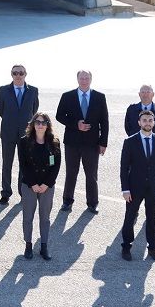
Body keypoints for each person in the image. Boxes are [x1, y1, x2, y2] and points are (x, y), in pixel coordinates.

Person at [55, 70, 109, 214]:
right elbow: (59, 116)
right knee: (71, 173)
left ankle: (92, 203)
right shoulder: (67, 96)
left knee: (91, 174)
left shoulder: (99, 97)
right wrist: (75, 124)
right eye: (81, 78)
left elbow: (104, 121)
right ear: (77, 79)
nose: (84, 80)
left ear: (91, 79)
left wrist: (103, 142)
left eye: (87, 78)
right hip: (72, 142)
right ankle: (67, 201)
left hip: (92, 143)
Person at [120, 110, 155, 262]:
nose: (147, 123)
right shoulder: (130, 141)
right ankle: (126, 246)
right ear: (139, 123)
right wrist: (125, 189)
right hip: (134, 188)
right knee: (130, 217)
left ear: (154, 123)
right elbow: (124, 167)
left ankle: (153, 248)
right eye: (144, 120)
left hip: (154, 188)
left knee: (151, 217)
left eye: (150, 120)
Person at [18, 112, 60, 261]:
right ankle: (28, 245)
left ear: (48, 125)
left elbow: (56, 166)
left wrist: (46, 184)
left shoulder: (54, 142)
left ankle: (44, 246)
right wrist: (33, 184)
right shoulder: (24, 141)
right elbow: (23, 165)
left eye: (43, 122)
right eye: (37, 122)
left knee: (45, 218)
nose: (40, 125)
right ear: (33, 124)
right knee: (27, 217)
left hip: (47, 187)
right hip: (30, 185)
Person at [0, 64, 39, 205]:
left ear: (26, 74)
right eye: (15, 73)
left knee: (24, 164)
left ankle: (23, 192)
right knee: (7, 163)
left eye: (21, 73)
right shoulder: (3, 90)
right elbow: (1, 109)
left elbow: (34, 110)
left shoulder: (33, 90)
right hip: (8, 132)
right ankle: (6, 193)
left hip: (25, 133)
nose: (18, 76)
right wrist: (11, 120)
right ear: (11, 74)